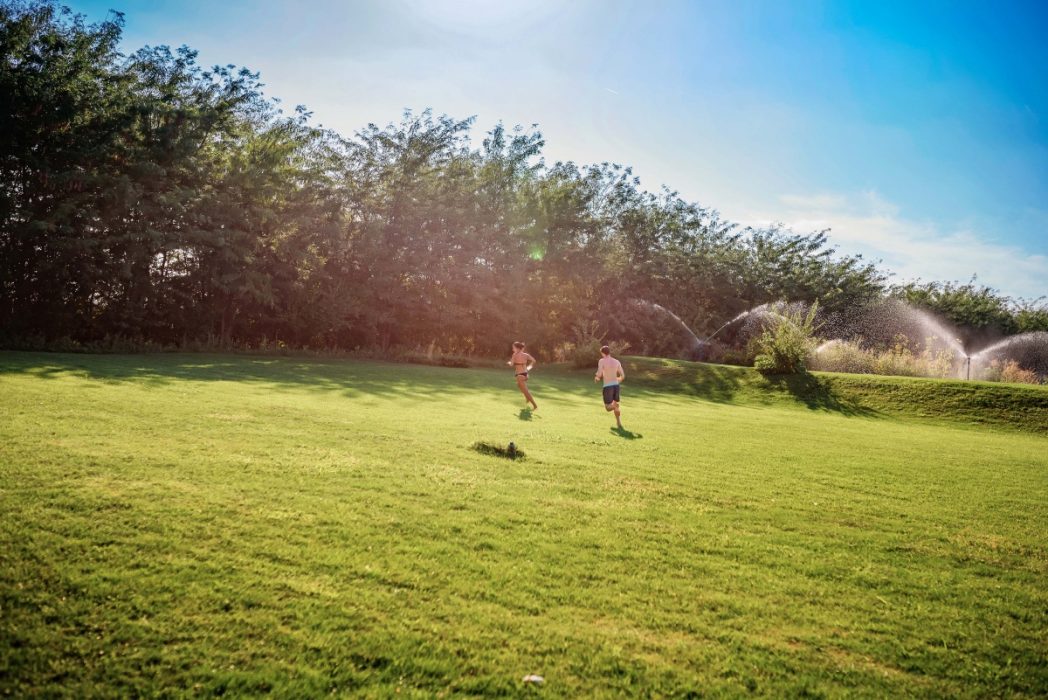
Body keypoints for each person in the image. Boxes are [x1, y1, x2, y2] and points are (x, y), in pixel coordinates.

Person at [594, 345, 624, 428]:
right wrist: (618, 380)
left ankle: (615, 406)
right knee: (615, 404)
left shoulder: (602, 361)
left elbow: (599, 373)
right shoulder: (617, 361)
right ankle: (619, 423)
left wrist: (597, 377)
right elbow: (623, 375)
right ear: (609, 352)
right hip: (616, 386)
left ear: (603, 353)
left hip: (608, 386)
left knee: (608, 407)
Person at [507, 341, 538, 410]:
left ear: (517, 348)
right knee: (519, 385)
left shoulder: (514, 355)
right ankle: (527, 398)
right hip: (525, 374)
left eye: (513, 348)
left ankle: (534, 405)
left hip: (520, 375)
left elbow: (511, 364)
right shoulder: (525, 355)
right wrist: (529, 367)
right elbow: (534, 361)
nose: (512, 349)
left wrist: (509, 362)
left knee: (526, 391)